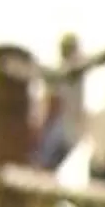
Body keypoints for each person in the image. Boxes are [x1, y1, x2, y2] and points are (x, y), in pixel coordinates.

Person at [32, 33, 86, 172]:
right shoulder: (80, 67)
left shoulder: (63, 70)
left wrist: (41, 128)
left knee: (41, 165)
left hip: (62, 127)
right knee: (49, 168)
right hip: (74, 130)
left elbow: (54, 102)